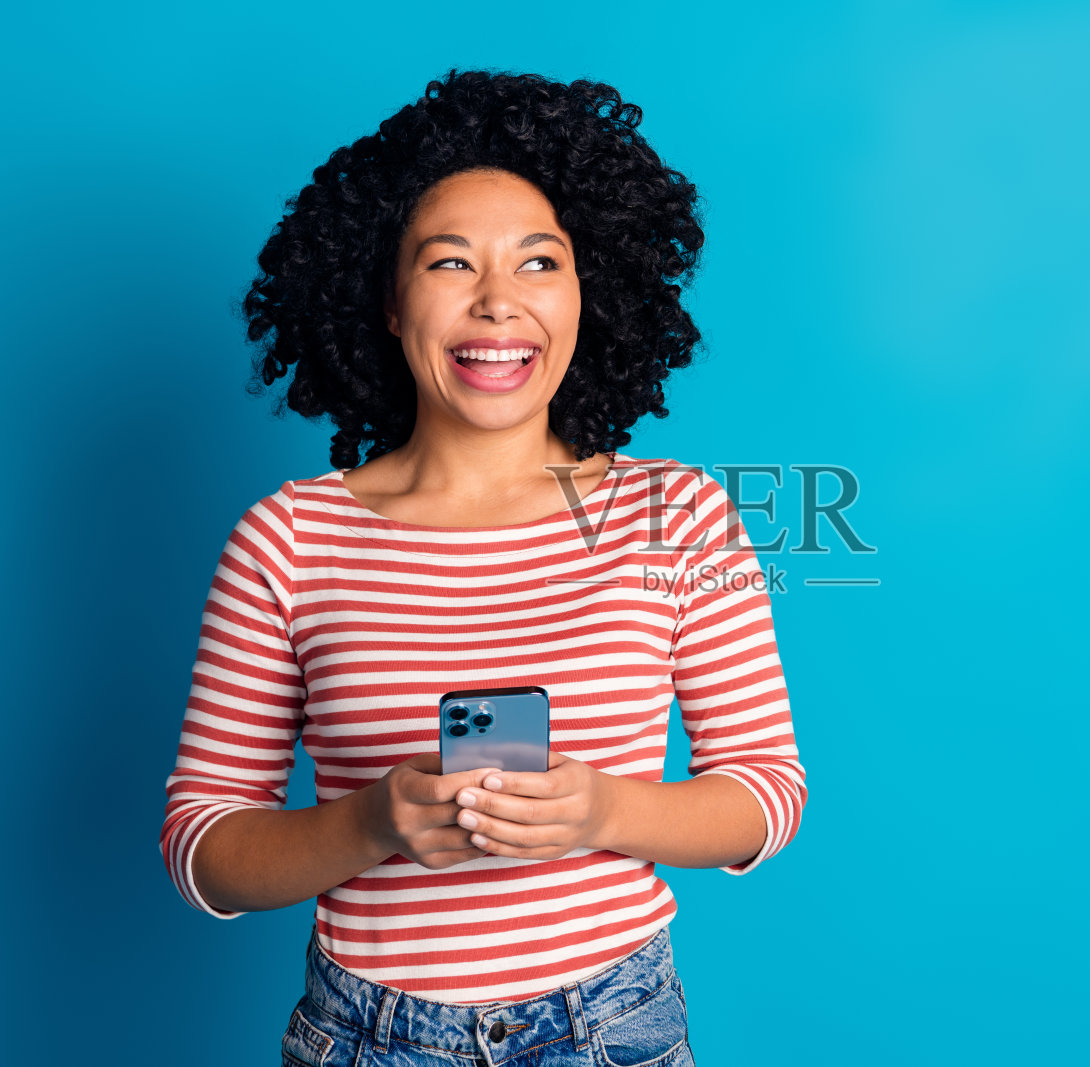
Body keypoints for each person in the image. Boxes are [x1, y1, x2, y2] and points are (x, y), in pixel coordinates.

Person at [158, 69, 806, 1066]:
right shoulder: (287, 538)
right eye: (450, 263)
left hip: (613, 1027)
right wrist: (374, 820)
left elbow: (764, 791)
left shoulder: (676, 513)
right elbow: (204, 848)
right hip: (366, 1035)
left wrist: (602, 808)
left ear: (590, 293)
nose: (498, 303)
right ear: (386, 299)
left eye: (539, 263)